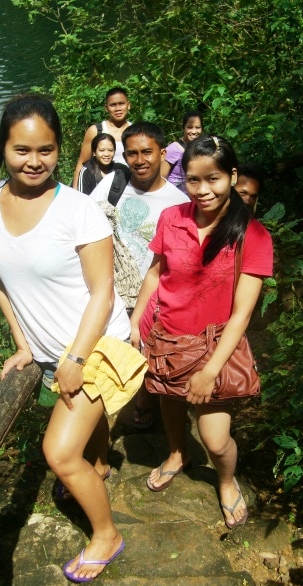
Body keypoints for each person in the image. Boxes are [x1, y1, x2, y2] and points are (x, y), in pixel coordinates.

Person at [0, 94, 132, 582]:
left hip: (98, 344)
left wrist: (77, 358)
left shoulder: (79, 211)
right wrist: (23, 344)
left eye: (46, 150)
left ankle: (107, 536)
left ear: (61, 149)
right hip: (52, 349)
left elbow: (103, 293)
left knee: (59, 453)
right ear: (4, 148)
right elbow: (1, 280)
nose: (34, 161)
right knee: (85, 436)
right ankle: (97, 468)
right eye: (22, 150)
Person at [130, 135, 273, 528]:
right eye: (193, 180)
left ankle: (226, 480)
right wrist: (136, 319)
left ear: (231, 176)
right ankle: (178, 453)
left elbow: (242, 314)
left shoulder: (253, 235)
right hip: (166, 337)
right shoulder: (171, 217)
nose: (203, 190)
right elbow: (156, 274)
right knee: (170, 402)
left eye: (213, 179)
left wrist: (210, 371)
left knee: (215, 439)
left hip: (213, 347)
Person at [91, 121, 189, 428]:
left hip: (153, 291)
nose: (140, 160)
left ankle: (145, 400)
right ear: (124, 156)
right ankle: (103, 408)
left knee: (147, 350)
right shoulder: (113, 184)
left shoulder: (180, 203)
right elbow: (87, 221)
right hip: (110, 286)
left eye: (147, 152)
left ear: (162, 153)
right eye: (132, 153)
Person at [72, 87, 131, 188]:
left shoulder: (135, 132)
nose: (118, 108)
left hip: (128, 186)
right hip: (99, 187)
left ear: (128, 105)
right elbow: (82, 164)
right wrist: (76, 192)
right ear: (106, 108)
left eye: (121, 104)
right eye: (113, 105)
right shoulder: (96, 131)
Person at [161, 110, 203, 191]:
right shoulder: (173, 149)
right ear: (183, 128)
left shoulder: (200, 149)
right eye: (190, 127)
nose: (194, 131)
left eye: (198, 127)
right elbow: (161, 178)